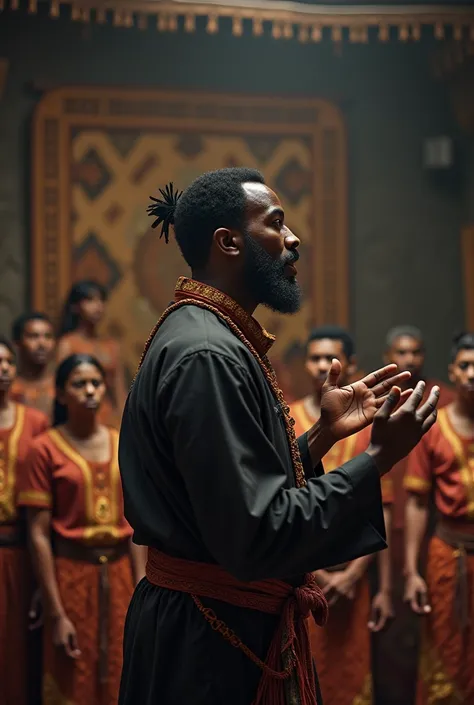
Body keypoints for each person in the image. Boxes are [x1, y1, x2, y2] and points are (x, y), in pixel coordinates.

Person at [118, 167, 439, 705]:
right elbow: (256, 533)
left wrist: (320, 438)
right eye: (276, 224)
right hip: (207, 644)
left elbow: (232, 490)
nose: (293, 240)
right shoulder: (207, 354)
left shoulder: (211, 334)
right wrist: (378, 457)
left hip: (209, 625)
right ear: (228, 242)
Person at [18, 354, 146, 705]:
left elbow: (135, 522)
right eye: (79, 384)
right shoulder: (44, 449)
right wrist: (55, 611)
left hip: (121, 575)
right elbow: (38, 534)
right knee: (70, 675)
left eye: (96, 383)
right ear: (60, 394)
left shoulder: (123, 442)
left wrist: (140, 587)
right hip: (70, 576)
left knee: (124, 672)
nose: (90, 390)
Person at [290, 326, 394, 705]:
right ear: (304, 363)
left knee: (351, 675)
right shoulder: (288, 420)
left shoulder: (369, 423)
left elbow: (380, 504)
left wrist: (352, 575)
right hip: (299, 576)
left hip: (354, 576)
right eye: (315, 358)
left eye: (329, 358)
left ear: (349, 364)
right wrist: (314, 572)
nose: (321, 366)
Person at [404, 331, 474, 705]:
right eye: (465, 366)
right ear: (453, 371)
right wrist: (413, 571)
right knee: (446, 650)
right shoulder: (433, 425)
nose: (473, 373)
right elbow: (417, 501)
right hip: (448, 553)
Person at [0, 336, 49, 705]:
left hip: (19, 550)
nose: (2, 369)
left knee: (16, 651)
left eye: (6, 362)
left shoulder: (34, 422)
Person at [57, 281, 127, 429]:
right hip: (77, 415)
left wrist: (124, 420)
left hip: (107, 416)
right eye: (90, 300)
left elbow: (119, 390)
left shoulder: (110, 345)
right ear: (75, 307)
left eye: (101, 300)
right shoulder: (68, 343)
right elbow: (60, 386)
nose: (98, 306)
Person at [10, 312, 56, 418]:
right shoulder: (9, 388)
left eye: (48, 336)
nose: (42, 344)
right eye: (33, 337)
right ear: (17, 343)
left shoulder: (62, 388)